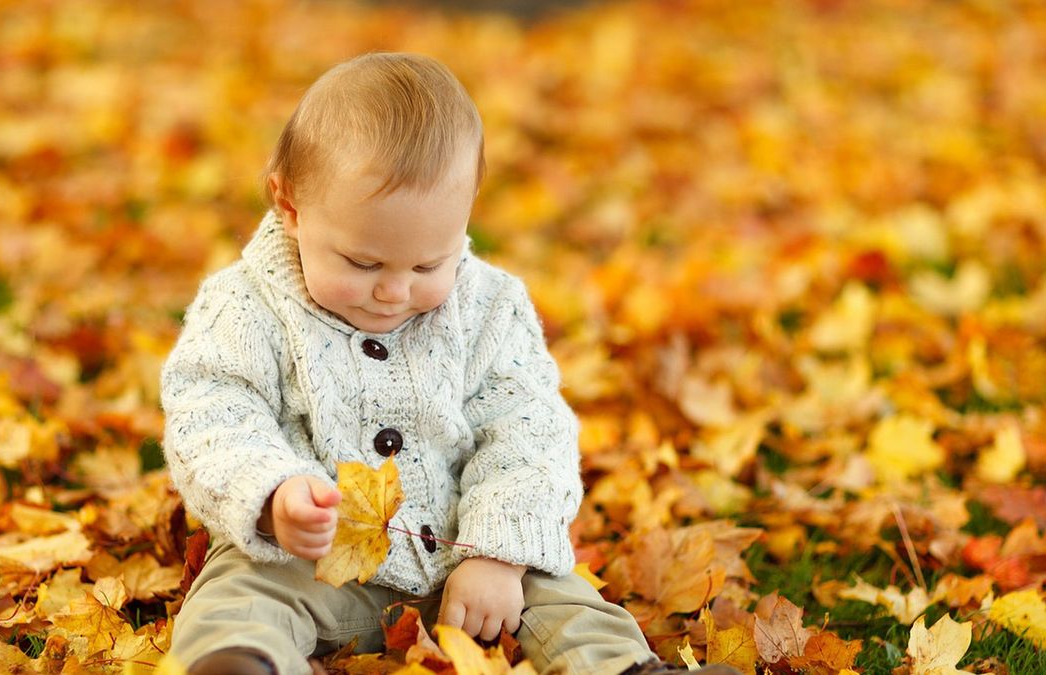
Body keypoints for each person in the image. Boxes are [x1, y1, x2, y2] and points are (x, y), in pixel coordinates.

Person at [161, 52, 735, 675]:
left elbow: (528, 431)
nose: (394, 291)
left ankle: (623, 668)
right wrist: (272, 495)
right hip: (311, 565)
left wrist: (498, 552)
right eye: (363, 263)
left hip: (464, 562)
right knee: (239, 594)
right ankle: (244, 662)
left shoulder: (489, 307)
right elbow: (211, 413)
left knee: (562, 597)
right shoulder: (244, 306)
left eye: (428, 264)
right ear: (291, 205)